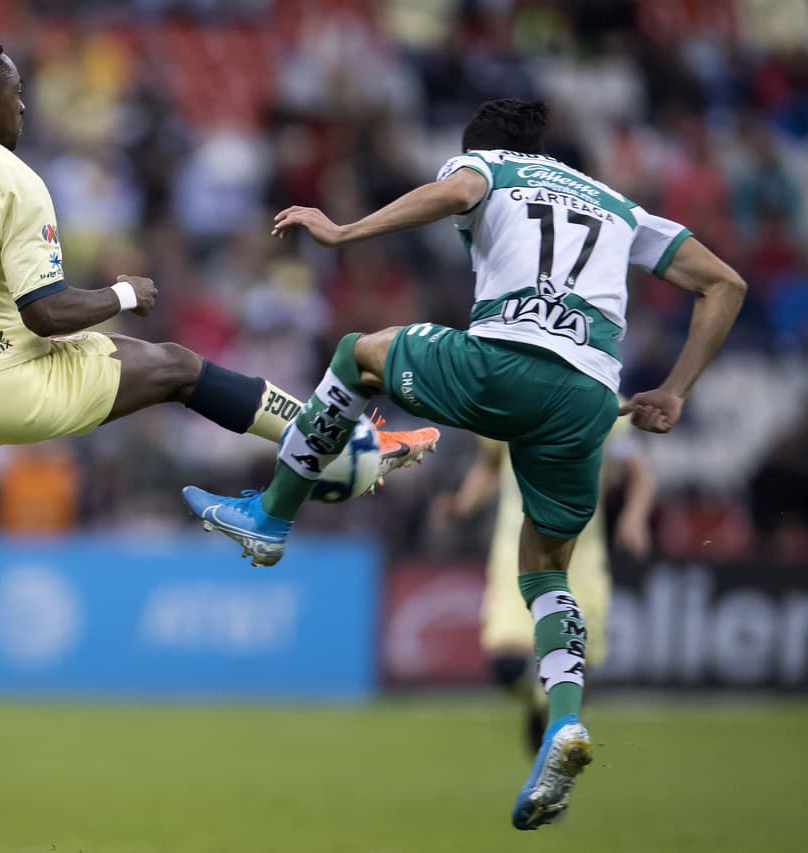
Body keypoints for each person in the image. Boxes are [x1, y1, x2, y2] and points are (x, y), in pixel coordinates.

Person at [0, 38, 439, 734]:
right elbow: (46, 314)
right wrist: (123, 291)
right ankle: (334, 441)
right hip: (17, 381)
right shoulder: (15, 182)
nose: (22, 104)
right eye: (15, 93)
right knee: (176, 368)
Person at [182, 99, 746, 830]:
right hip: (587, 401)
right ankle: (563, 723)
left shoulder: (486, 164)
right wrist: (673, 389)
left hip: (503, 363)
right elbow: (725, 282)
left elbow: (456, 193)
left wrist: (344, 230)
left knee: (358, 354)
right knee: (545, 568)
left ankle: (271, 516)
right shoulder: (619, 205)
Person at [431, 421, 654, 756]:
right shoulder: (507, 401)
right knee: (507, 667)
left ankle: (550, 771)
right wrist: (463, 504)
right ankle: (543, 706)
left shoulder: (605, 405)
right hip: (514, 559)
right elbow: (490, 464)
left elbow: (639, 474)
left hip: (581, 564)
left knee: (578, 677)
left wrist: (634, 516)